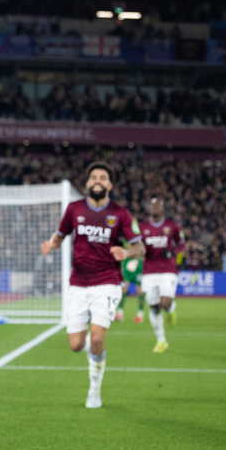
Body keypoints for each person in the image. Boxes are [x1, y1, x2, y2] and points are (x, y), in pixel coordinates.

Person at [41, 161, 144, 409]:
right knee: (76, 345)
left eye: (103, 178)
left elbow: (140, 247)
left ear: (110, 185)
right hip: (78, 284)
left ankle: (94, 391)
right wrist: (51, 244)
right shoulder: (74, 209)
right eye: (94, 177)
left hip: (107, 282)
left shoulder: (120, 213)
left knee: (97, 338)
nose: (98, 181)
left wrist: (127, 253)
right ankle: (94, 349)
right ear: (88, 183)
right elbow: (61, 234)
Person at [139, 197, 186, 352]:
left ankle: (171, 307)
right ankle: (161, 341)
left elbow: (182, 244)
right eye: (152, 205)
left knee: (164, 302)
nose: (155, 207)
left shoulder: (172, 226)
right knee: (153, 306)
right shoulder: (142, 227)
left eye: (158, 205)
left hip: (168, 270)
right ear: (148, 208)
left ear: (163, 208)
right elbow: (137, 246)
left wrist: (174, 253)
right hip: (149, 271)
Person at [117, 245, 144, 323]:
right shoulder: (123, 237)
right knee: (123, 289)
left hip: (138, 265)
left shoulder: (137, 238)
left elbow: (141, 250)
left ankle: (140, 315)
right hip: (127, 265)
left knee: (140, 291)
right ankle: (120, 313)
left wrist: (137, 259)